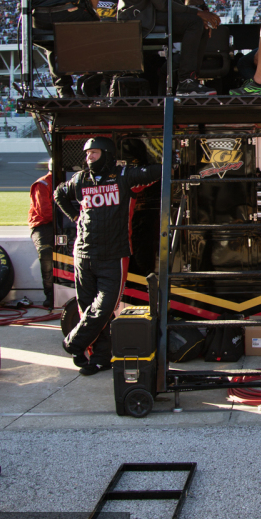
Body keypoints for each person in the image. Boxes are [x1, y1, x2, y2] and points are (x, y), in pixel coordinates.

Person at [54, 137, 161, 374]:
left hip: (114, 255)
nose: (88, 157)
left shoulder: (125, 176)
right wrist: (75, 217)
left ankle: (73, 343)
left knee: (103, 309)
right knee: (86, 309)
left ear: (107, 153)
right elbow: (58, 194)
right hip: (82, 254)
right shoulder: (81, 179)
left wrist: (172, 160)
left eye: (94, 153)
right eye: (87, 154)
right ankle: (99, 358)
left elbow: (159, 171)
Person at [28, 164, 56, 309]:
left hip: (62, 223)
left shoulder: (71, 181)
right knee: (46, 253)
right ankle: (50, 295)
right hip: (42, 225)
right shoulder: (42, 184)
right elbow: (44, 212)